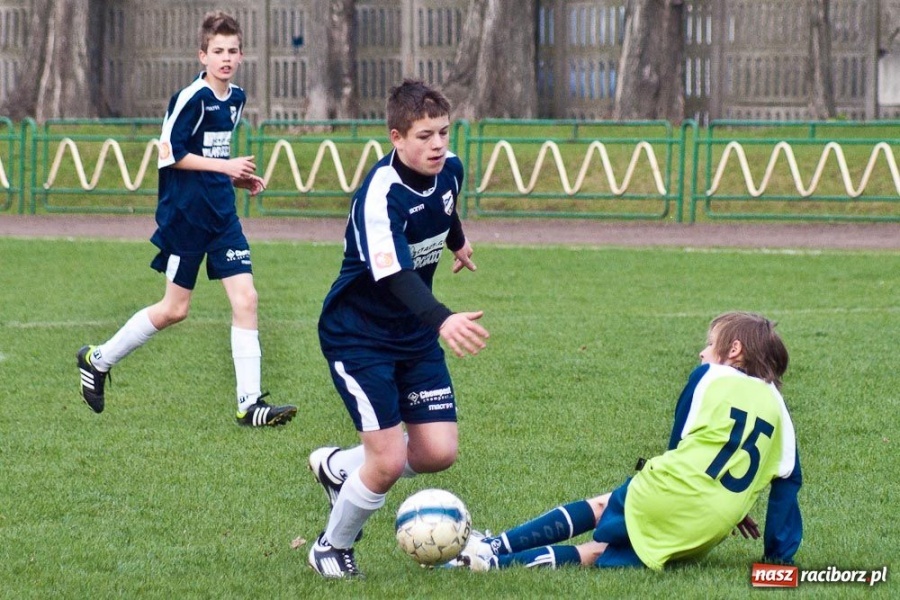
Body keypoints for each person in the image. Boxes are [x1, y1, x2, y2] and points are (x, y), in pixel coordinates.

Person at [76, 11, 296, 427]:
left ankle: (249, 405)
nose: (226, 58)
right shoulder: (191, 97)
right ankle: (97, 359)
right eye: (218, 51)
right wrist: (226, 167)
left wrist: (237, 180)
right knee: (175, 309)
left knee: (247, 299)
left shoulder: (236, 98)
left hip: (222, 217)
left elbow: (211, 158)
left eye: (233, 51)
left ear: (242, 55)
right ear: (202, 55)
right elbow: (169, 155)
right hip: (186, 219)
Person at [307, 79, 490, 579]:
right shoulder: (379, 194)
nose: (438, 145)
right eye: (425, 135)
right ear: (396, 137)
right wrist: (443, 318)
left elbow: (444, 209)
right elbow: (391, 274)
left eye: (444, 133)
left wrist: (459, 242)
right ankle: (330, 547)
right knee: (387, 462)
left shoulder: (449, 170)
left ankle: (340, 468)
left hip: (411, 334)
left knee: (437, 451)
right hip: (358, 336)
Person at [454, 311, 801, 572]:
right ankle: (490, 566)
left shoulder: (710, 376)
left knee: (601, 507)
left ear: (734, 349)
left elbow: (679, 446)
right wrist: (776, 558)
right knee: (598, 553)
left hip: (667, 494)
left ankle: (492, 546)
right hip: (708, 528)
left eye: (710, 344)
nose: (702, 352)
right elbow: (786, 486)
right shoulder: (780, 412)